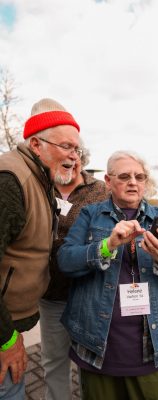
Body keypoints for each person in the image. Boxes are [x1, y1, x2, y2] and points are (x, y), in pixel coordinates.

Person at [57, 150, 158, 400]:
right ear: (108, 181)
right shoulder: (91, 215)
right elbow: (65, 261)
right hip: (99, 346)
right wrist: (107, 245)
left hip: (154, 346)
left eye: (139, 176)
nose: (133, 181)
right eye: (124, 176)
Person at [0, 97, 81, 399]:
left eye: (76, 148)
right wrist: (6, 339)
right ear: (36, 144)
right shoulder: (10, 180)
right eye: (66, 147)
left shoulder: (40, 177)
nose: (74, 155)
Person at [39, 144, 108, 400]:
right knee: (54, 360)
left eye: (76, 155)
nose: (71, 161)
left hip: (89, 291)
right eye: (65, 156)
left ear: (82, 159)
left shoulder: (101, 190)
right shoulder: (41, 186)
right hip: (51, 292)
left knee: (90, 361)